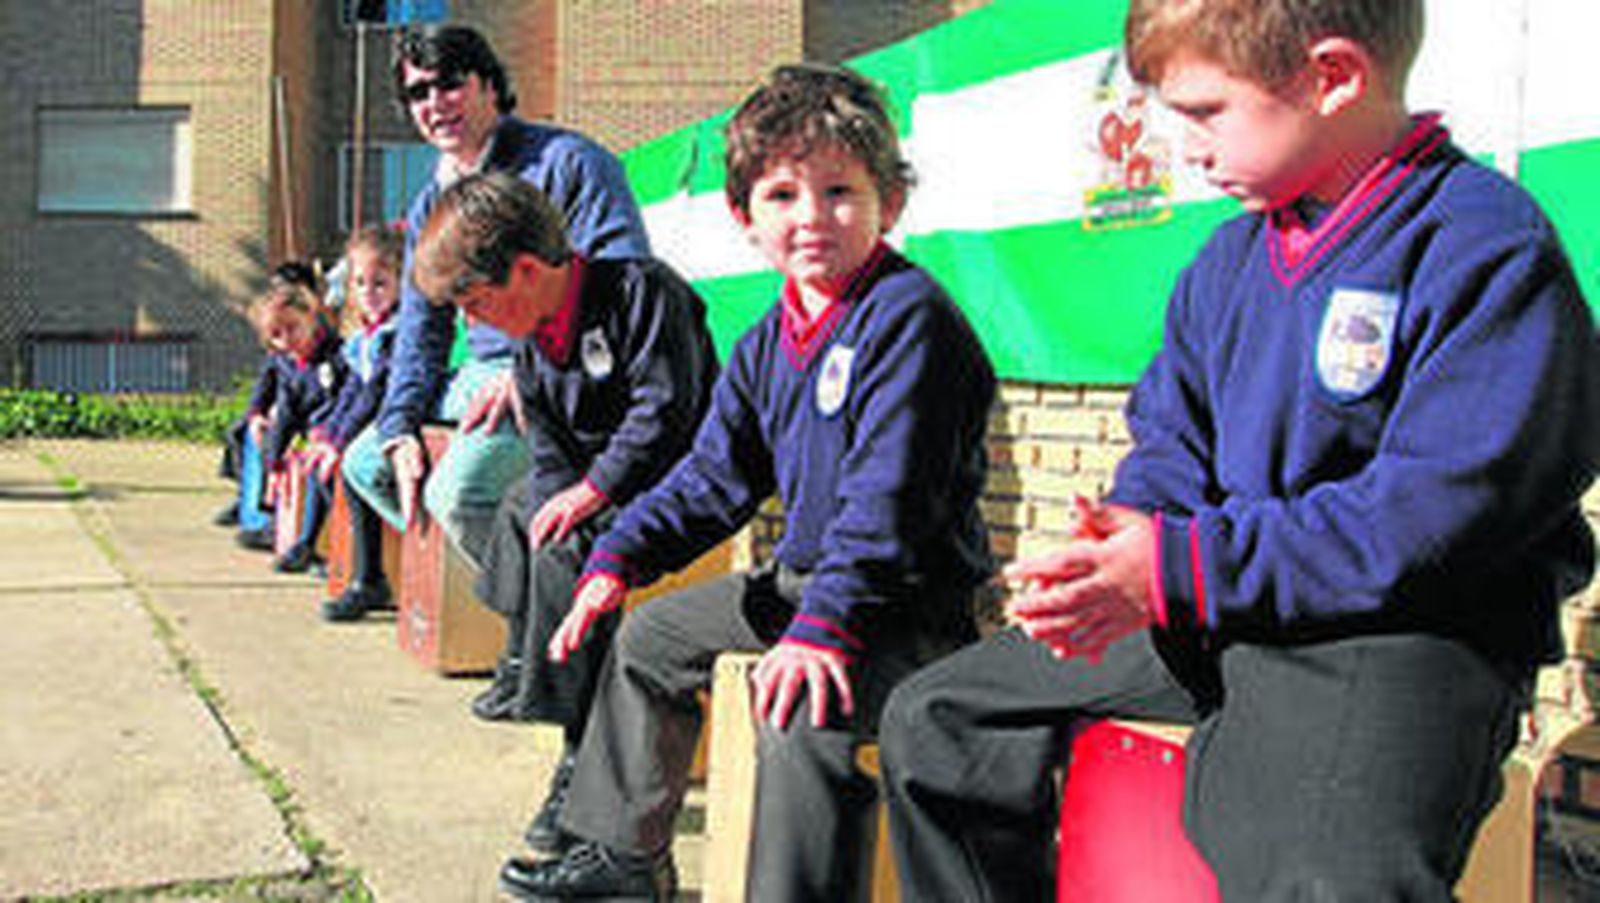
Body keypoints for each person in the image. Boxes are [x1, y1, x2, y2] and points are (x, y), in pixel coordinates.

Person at [877, 1, 1600, 900]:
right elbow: (1172, 438)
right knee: (939, 720)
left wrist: (1178, 565)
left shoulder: (1482, 245)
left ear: (1332, 76)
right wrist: (1127, 536)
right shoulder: (1226, 260)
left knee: (1324, 872)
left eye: (1204, 112)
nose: (1186, 149)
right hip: (1228, 604)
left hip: (1405, 633)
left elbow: (1434, 518)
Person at [501, 64, 997, 902]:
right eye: (782, 195)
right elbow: (711, 475)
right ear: (744, 216)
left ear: (889, 202)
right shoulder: (769, 340)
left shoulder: (909, 320)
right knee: (649, 638)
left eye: (840, 191)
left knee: (801, 713)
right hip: (803, 584)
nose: (812, 218)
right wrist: (617, 556)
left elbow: (887, 506)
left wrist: (822, 626)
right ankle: (625, 860)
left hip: (904, 606)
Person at [409, 169, 720, 861]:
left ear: (526, 270)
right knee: (525, 509)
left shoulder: (642, 292)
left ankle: (580, 756)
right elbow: (548, 444)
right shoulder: (531, 339)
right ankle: (526, 651)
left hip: (673, 479)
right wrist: (559, 496)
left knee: (565, 548)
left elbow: (665, 410)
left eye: (475, 302)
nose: (470, 322)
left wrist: (591, 492)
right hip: (599, 480)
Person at [336, 23, 651, 597]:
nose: (435, 103)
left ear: (489, 85)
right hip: (481, 377)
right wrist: (399, 427)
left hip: (566, 371)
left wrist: (532, 370)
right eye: (418, 92)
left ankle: (557, 620)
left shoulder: (570, 163)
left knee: (458, 496)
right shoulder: (431, 203)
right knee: (364, 465)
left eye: (450, 84)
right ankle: (506, 595)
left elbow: (623, 285)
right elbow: (420, 330)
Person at [306, 225, 405, 612]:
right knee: (326, 469)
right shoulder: (364, 336)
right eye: (360, 283)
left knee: (353, 466)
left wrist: (340, 442)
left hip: (395, 420)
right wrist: (328, 433)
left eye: (380, 283)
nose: (368, 293)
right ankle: (344, 557)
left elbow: (375, 390)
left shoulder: (398, 332)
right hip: (371, 420)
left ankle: (370, 578)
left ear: (402, 282)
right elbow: (351, 390)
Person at [247, 263, 349, 573]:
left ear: (311, 318)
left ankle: (312, 544)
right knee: (277, 445)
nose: (286, 340)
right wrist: (274, 463)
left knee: (318, 468)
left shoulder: (334, 355)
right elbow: (288, 412)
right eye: (276, 336)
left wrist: (326, 433)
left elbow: (343, 398)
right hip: (313, 431)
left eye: (292, 328)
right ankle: (281, 526)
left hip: (339, 428)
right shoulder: (290, 362)